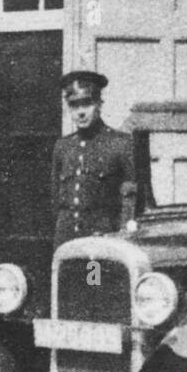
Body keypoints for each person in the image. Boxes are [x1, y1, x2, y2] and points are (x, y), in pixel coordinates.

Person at [50, 70, 137, 248]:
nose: (80, 112)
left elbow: (132, 202)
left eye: (87, 104)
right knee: (65, 277)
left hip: (101, 243)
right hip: (66, 241)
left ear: (99, 104)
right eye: (74, 105)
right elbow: (55, 200)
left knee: (93, 277)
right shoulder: (63, 147)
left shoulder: (120, 144)